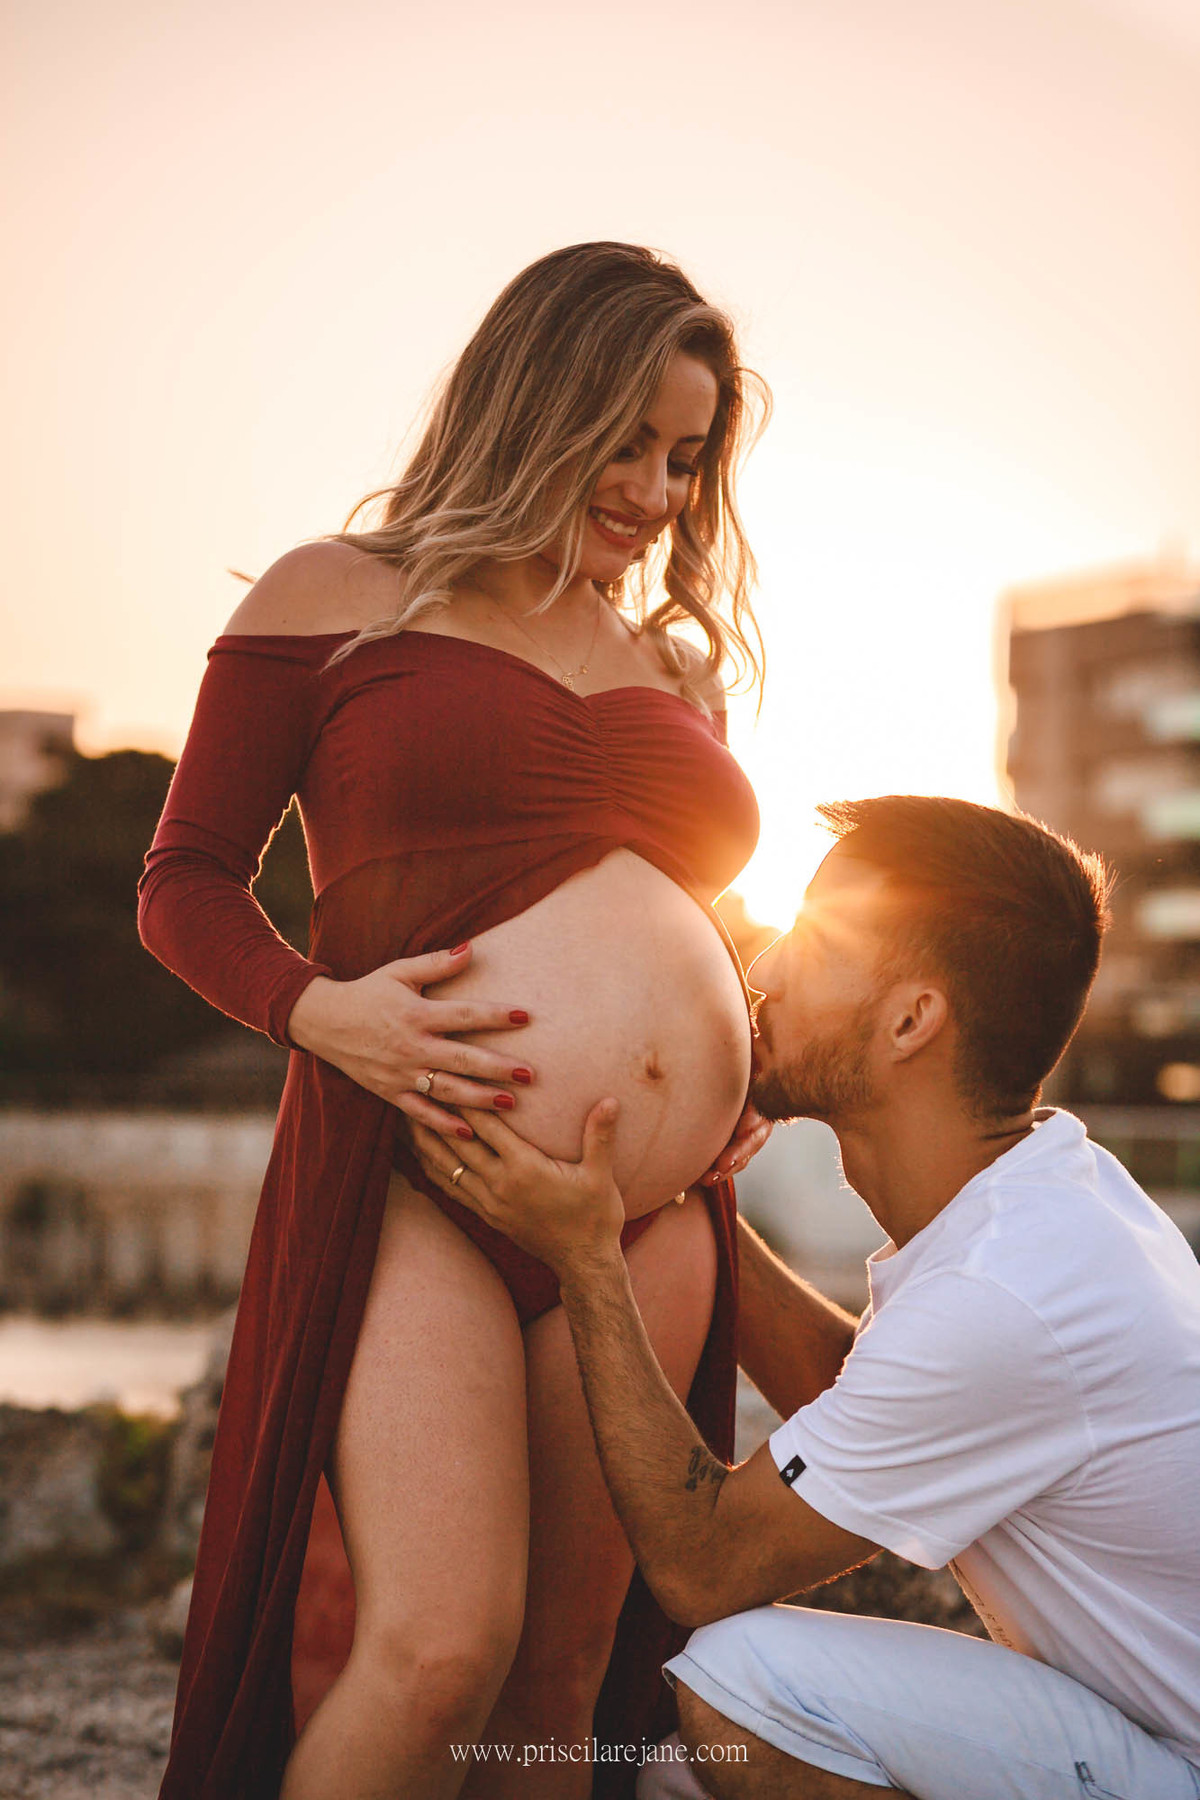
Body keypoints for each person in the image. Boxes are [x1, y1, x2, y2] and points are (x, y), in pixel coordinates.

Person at [137, 241, 775, 1800]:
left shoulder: (673, 664)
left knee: (560, 1673)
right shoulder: (337, 598)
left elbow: (702, 916)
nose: (655, 490)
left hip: (652, 1217)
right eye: (625, 439)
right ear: (531, 399)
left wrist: (746, 1058)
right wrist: (317, 1012)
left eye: (686, 459)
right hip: (423, 1173)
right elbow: (184, 882)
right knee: (438, 1655)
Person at [412, 794, 1200, 1800]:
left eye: (817, 944)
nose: (765, 969)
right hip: (1142, 1735)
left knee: (746, 1692)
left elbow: (704, 1564)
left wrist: (590, 1257)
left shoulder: (1004, 1294)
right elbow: (865, 1392)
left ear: (913, 1021)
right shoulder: (1053, 1202)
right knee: (677, 1784)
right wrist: (691, 1184)